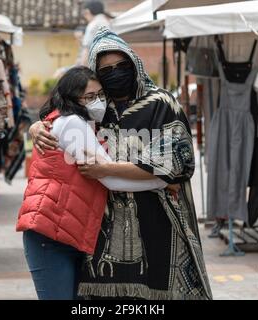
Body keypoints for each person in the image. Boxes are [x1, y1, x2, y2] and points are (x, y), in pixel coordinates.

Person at [29, 28, 212, 300]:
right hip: (102, 228)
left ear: (133, 63)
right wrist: (35, 128)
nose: (116, 73)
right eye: (106, 70)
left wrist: (107, 170)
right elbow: (55, 118)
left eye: (122, 66)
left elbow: (175, 161)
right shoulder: (93, 104)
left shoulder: (160, 103)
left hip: (159, 220)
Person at [18, 66, 168, 300]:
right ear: (71, 97)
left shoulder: (72, 121)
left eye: (100, 95)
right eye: (89, 96)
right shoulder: (73, 124)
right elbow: (110, 178)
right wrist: (161, 181)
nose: (98, 101)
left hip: (64, 234)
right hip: (50, 238)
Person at [78, 1, 111, 66]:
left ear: (87, 11)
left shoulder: (93, 24)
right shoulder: (107, 22)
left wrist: (82, 67)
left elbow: (87, 48)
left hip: (95, 63)